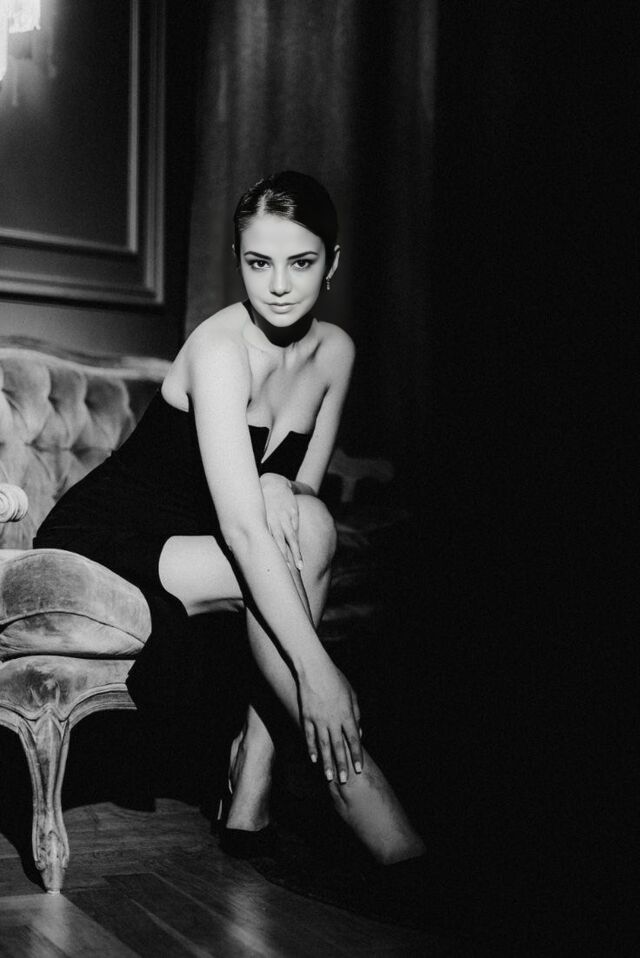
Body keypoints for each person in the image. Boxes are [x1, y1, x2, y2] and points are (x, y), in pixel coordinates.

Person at [34, 171, 426, 896]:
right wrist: (321, 675)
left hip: (208, 539)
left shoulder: (334, 352)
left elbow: (300, 497)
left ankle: (252, 787)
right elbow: (245, 534)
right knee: (283, 570)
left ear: (332, 262)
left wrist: (283, 484)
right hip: (112, 534)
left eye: (300, 262)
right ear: (238, 260)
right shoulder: (220, 348)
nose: (277, 285)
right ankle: (357, 790)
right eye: (258, 262)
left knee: (312, 526)